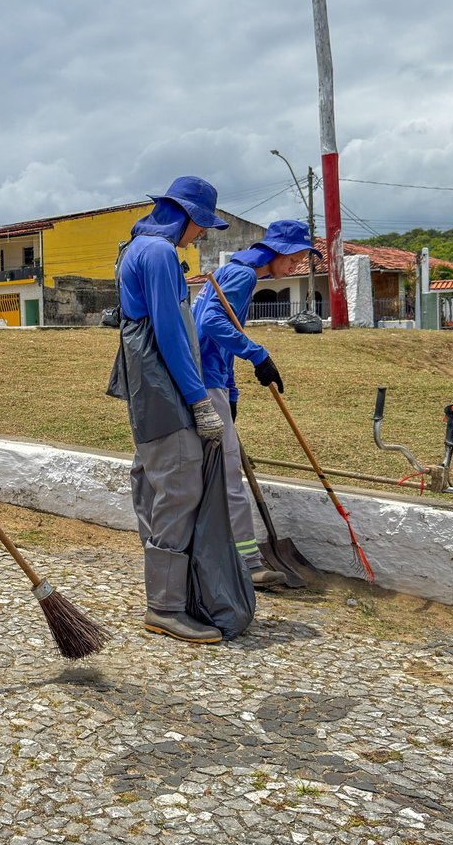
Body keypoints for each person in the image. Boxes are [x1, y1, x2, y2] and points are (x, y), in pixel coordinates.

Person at [107, 175, 230, 645]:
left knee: (157, 483)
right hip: (162, 381)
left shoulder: (136, 247)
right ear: (189, 218)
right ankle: (165, 607)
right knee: (178, 484)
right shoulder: (158, 254)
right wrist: (199, 401)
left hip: (147, 382)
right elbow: (172, 335)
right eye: (202, 227)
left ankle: (169, 592)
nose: (201, 236)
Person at [194, 220, 322, 590]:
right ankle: (248, 564)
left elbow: (219, 333)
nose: (298, 265)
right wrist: (258, 355)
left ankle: (221, 555)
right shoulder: (244, 276)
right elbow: (213, 323)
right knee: (230, 474)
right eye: (296, 256)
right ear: (278, 250)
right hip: (206, 382)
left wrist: (232, 392)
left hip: (211, 381)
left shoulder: (232, 272)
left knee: (216, 473)